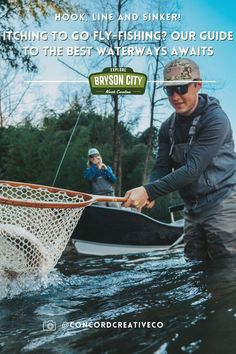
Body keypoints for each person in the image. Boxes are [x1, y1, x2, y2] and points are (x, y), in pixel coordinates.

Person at [123, 58, 236, 261]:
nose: (175, 97)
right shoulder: (167, 127)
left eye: (182, 88)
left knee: (226, 267)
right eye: (169, 90)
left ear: (197, 85)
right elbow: (162, 166)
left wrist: (149, 190)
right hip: (191, 210)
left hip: (223, 203)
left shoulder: (216, 120)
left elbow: (193, 169)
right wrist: (149, 190)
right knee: (194, 266)